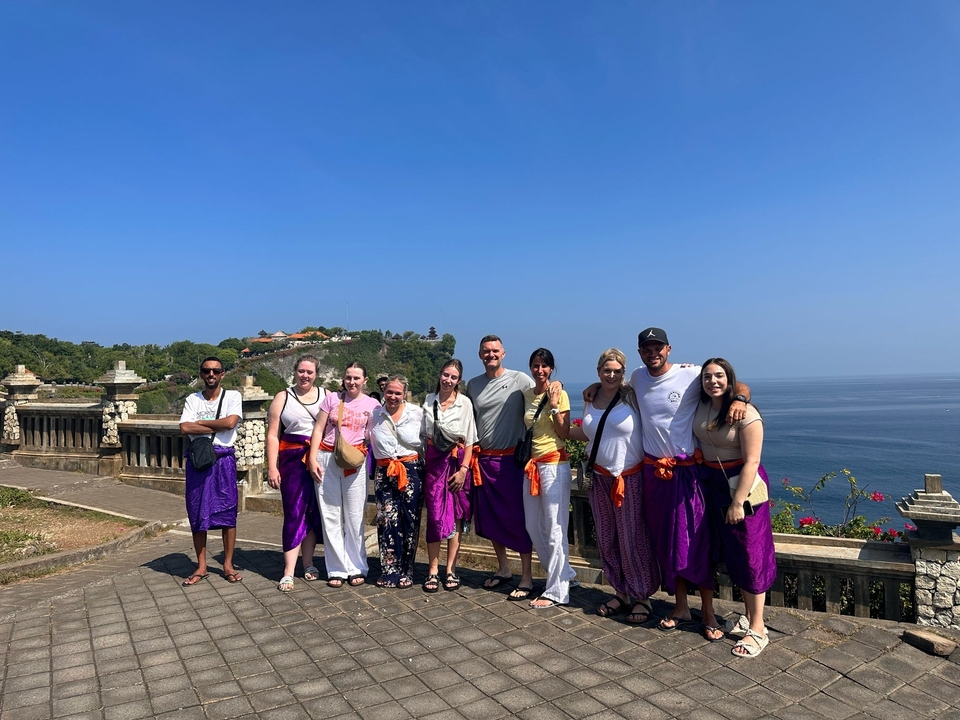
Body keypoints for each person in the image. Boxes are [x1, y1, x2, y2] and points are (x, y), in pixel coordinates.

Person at [584, 328, 749, 640]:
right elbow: (612, 382)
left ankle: (709, 612)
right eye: (646, 349)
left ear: (669, 349)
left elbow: (732, 381)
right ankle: (681, 607)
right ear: (640, 352)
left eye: (657, 347)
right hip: (652, 474)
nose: (652, 353)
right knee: (666, 543)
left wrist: (739, 398)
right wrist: (595, 386)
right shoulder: (635, 377)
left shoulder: (692, 374)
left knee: (697, 542)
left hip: (687, 473)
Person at [568, 349, 660, 623]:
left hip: (629, 477)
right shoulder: (591, 397)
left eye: (617, 371)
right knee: (607, 538)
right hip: (599, 477)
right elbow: (586, 432)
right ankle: (621, 591)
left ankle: (642, 595)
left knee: (633, 538)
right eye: (606, 371)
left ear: (624, 373)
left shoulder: (633, 395)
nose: (611, 375)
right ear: (598, 372)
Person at [694, 358, 776, 657]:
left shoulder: (746, 414)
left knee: (750, 552)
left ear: (729, 378)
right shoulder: (703, 403)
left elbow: (752, 461)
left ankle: (758, 628)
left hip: (741, 486)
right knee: (728, 551)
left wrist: (738, 502)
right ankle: (749, 618)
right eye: (707, 376)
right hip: (711, 484)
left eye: (719, 376)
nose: (712, 381)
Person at [466, 335, 536, 598]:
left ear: (503, 353)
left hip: (512, 461)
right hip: (484, 460)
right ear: (480, 354)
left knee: (518, 518)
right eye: (486, 351)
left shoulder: (520, 380)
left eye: (495, 350)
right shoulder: (473, 385)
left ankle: (527, 576)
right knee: (493, 518)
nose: (490, 355)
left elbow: (540, 396)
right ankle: (503, 568)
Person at [307, 362, 380, 587]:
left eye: (357, 378)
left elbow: (374, 434)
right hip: (327, 457)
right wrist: (311, 459)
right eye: (348, 377)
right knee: (330, 515)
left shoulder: (373, 404)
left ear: (365, 380)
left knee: (355, 516)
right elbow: (318, 429)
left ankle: (357, 566)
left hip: (354, 461)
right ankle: (336, 568)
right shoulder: (332, 399)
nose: (352, 382)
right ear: (343, 378)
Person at [178, 357, 243, 586]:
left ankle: (227, 564)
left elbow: (231, 423)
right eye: (207, 371)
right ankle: (202, 565)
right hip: (199, 460)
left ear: (222, 374)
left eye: (216, 371)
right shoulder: (192, 399)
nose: (211, 374)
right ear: (201, 374)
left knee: (227, 511)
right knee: (197, 511)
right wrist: (218, 423)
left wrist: (201, 424)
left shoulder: (232, 397)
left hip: (223, 460)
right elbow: (185, 427)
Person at [520, 348, 576, 609]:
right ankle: (567, 574)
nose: (539, 370)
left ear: (551, 368)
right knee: (533, 526)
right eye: (535, 365)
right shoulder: (526, 395)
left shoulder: (559, 394)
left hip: (554, 464)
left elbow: (564, 432)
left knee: (555, 529)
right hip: (532, 466)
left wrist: (554, 407)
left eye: (544, 366)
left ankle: (557, 591)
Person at [265, 355, 326, 592]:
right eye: (301, 371)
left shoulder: (326, 396)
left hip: (319, 458)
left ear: (316, 374)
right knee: (294, 511)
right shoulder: (283, 397)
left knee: (314, 511)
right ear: (295, 371)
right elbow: (273, 434)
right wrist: (272, 466)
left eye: (309, 372)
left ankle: (308, 562)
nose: (305, 376)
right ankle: (288, 570)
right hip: (291, 459)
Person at [422, 359, 477, 593]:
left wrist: (464, 470)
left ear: (459, 381)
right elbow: (422, 437)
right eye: (446, 375)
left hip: (457, 463)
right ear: (439, 375)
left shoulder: (464, 403)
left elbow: (471, 440)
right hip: (434, 464)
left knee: (456, 517)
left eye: (453, 377)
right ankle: (432, 569)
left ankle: (450, 569)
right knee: (435, 517)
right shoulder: (427, 401)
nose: (448, 380)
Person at [369, 375, 424, 588]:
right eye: (389, 392)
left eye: (397, 393)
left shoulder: (417, 414)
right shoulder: (375, 415)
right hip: (384, 471)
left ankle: (407, 570)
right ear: (384, 392)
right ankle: (389, 569)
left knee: (410, 520)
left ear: (404, 394)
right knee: (386, 520)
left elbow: (430, 439)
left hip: (411, 470)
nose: (393, 396)